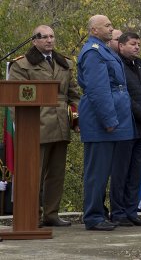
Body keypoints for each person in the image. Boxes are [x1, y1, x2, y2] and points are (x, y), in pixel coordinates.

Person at [8, 25, 81, 227]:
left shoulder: (64, 63)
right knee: (33, 174)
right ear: (34, 41)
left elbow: (73, 95)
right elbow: (16, 99)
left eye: (52, 36)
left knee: (56, 174)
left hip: (61, 124)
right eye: (44, 37)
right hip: (35, 126)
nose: (49, 40)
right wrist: (22, 127)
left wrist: (77, 119)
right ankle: (31, 215)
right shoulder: (22, 65)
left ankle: (51, 214)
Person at [76, 15, 135, 231]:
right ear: (94, 30)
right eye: (107, 25)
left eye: (111, 24)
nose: (111, 28)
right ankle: (92, 216)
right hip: (101, 121)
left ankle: (100, 213)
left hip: (114, 118)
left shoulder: (105, 49)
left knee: (108, 170)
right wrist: (109, 120)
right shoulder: (93, 52)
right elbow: (98, 90)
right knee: (97, 171)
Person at [113, 32, 141, 226]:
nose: (137, 47)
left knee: (136, 171)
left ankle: (132, 211)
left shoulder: (140, 65)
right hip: (126, 125)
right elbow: (124, 97)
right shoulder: (117, 65)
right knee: (121, 171)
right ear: (121, 46)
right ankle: (118, 212)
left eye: (139, 43)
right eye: (132, 44)